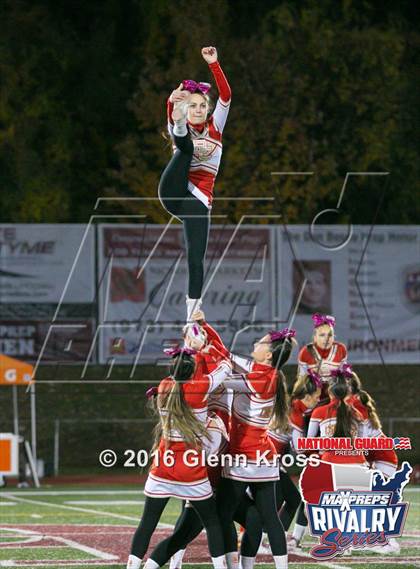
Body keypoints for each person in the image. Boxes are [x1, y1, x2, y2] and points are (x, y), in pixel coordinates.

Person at [126, 346, 232, 569]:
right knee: (212, 523)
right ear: (192, 369)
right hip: (191, 472)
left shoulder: (165, 386)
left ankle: (132, 566)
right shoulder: (200, 387)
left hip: (163, 467)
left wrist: (190, 349)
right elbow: (226, 367)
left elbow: (179, 377)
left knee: (147, 524)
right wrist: (203, 348)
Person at [158, 46, 232, 323]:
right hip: (174, 190)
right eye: (193, 106)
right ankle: (177, 125)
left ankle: (192, 317)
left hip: (197, 201)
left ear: (208, 109)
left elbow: (226, 95)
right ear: (186, 108)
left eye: (202, 106)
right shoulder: (183, 125)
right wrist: (172, 105)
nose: (199, 110)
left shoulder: (216, 128)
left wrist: (214, 63)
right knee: (185, 147)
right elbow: (174, 115)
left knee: (196, 257)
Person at [217, 329, 296, 569]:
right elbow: (228, 356)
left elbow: (220, 377)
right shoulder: (265, 373)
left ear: (269, 355)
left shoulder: (260, 377)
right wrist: (205, 332)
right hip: (264, 456)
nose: (255, 344)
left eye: (261, 343)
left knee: (224, 514)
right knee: (266, 516)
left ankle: (235, 567)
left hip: (245, 457)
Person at [306, 365, 366, 465]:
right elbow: (363, 444)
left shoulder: (319, 412)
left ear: (329, 392)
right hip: (358, 463)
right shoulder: (357, 414)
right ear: (348, 393)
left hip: (330, 462)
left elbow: (309, 444)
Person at [298, 313, 347, 401]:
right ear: (315, 337)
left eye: (330, 335)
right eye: (322, 335)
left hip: (335, 397)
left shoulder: (341, 349)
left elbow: (345, 377)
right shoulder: (305, 352)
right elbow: (302, 379)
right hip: (313, 397)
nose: (327, 339)